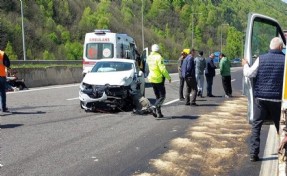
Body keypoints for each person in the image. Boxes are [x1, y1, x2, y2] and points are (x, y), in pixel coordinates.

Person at [242, 37, 285, 162]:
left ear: (270, 46)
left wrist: (245, 65)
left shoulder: (261, 58)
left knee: (256, 126)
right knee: (281, 128)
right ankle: (284, 151)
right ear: (281, 47)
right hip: (278, 101)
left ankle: (253, 154)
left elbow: (249, 74)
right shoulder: (285, 60)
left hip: (261, 99)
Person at [146, 44, 171, 118]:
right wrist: (168, 77)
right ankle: (154, 107)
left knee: (157, 97)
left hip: (151, 78)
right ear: (158, 50)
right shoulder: (159, 57)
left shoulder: (149, 57)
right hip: (158, 79)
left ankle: (159, 113)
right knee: (162, 96)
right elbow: (162, 69)